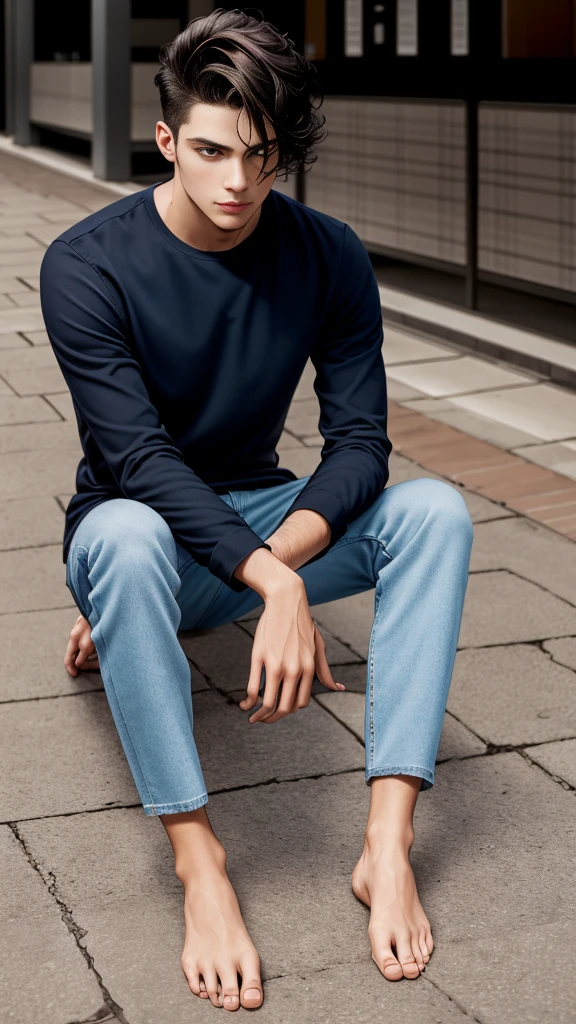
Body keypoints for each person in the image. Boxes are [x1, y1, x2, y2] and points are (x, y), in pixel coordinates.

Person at [39, 8, 473, 1012]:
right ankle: (198, 862)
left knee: (437, 513)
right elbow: (135, 456)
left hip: (257, 519)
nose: (238, 183)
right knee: (125, 536)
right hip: (141, 525)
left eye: (264, 157)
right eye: (211, 151)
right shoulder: (86, 263)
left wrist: (279, 557)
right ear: (166, 141)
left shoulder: (327, 254)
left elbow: (362, 441)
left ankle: (387, 844)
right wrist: (274, 579)